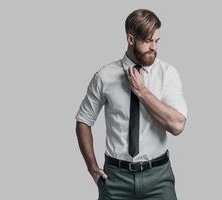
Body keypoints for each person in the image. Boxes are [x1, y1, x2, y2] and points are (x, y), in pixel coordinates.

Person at [75, 8, 188, 200]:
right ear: (130, 39)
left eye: (157, 41)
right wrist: (92, 167)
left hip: (158, 178)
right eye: (148, 41)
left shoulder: (167, 73)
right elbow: (83, 121)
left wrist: (142, 92)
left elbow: (177, 126)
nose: (154, 47)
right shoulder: (104, 77)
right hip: (116, 178)